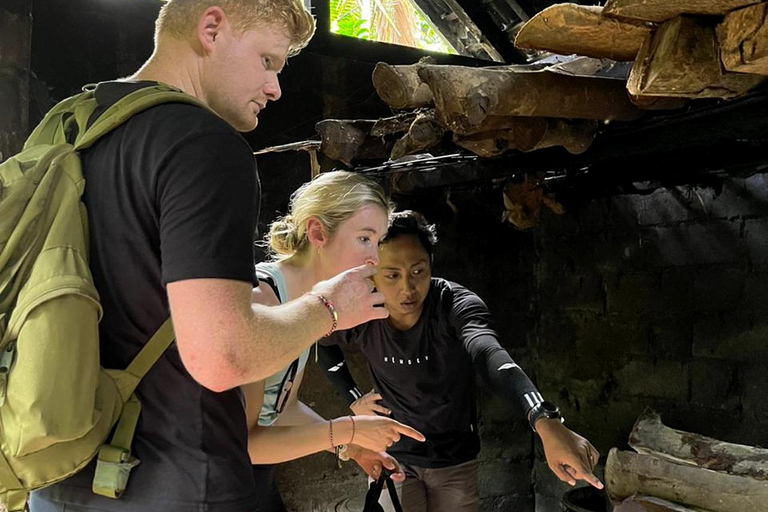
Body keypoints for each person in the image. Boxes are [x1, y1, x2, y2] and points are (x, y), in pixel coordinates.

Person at [30, 2, 389, 512]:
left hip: (58, 475)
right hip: (177, 483)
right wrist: (328, 308)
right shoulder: (203, 144)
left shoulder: (73, 128)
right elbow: (223, 357)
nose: (276, 89)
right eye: (268, 61)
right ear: (212, 28)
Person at [319, 210, 603, 512]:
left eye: (418, 271)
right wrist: (352, 398)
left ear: (431, 265)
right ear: (372, 271)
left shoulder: (453, 304)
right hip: (392, 454)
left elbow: (488, 354)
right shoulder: (362, 310)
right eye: (392, 275)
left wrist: (544, 420)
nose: (407, 288)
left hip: (454, 457)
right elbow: (322, 345)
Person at [243, 171, 425, 512]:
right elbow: (245, 442)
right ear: (317, 232)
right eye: (364, 239)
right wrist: (347, 430)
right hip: (209, 487)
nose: (375, 257)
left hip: (251, 482)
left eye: (378, 241)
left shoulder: (306, 301)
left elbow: (281, 409)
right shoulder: (263, 300)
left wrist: (350, 447)